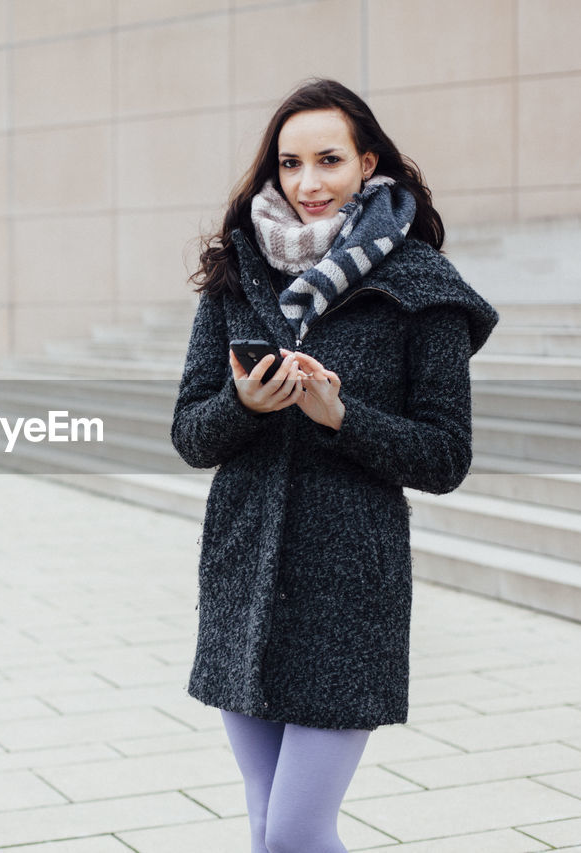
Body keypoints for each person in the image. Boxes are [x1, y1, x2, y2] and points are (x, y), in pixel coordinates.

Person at [170, 78, 498, 853]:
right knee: (262, 819)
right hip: (242, 573)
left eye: (328, 160)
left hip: (348, 588)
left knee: (294, 832)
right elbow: (190, 432)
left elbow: (447, 455)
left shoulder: (421, 287)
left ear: (367, 163)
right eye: (290, 164)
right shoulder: (237, 272)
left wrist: (343, 418)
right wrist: (245, 405)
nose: (308, 183)